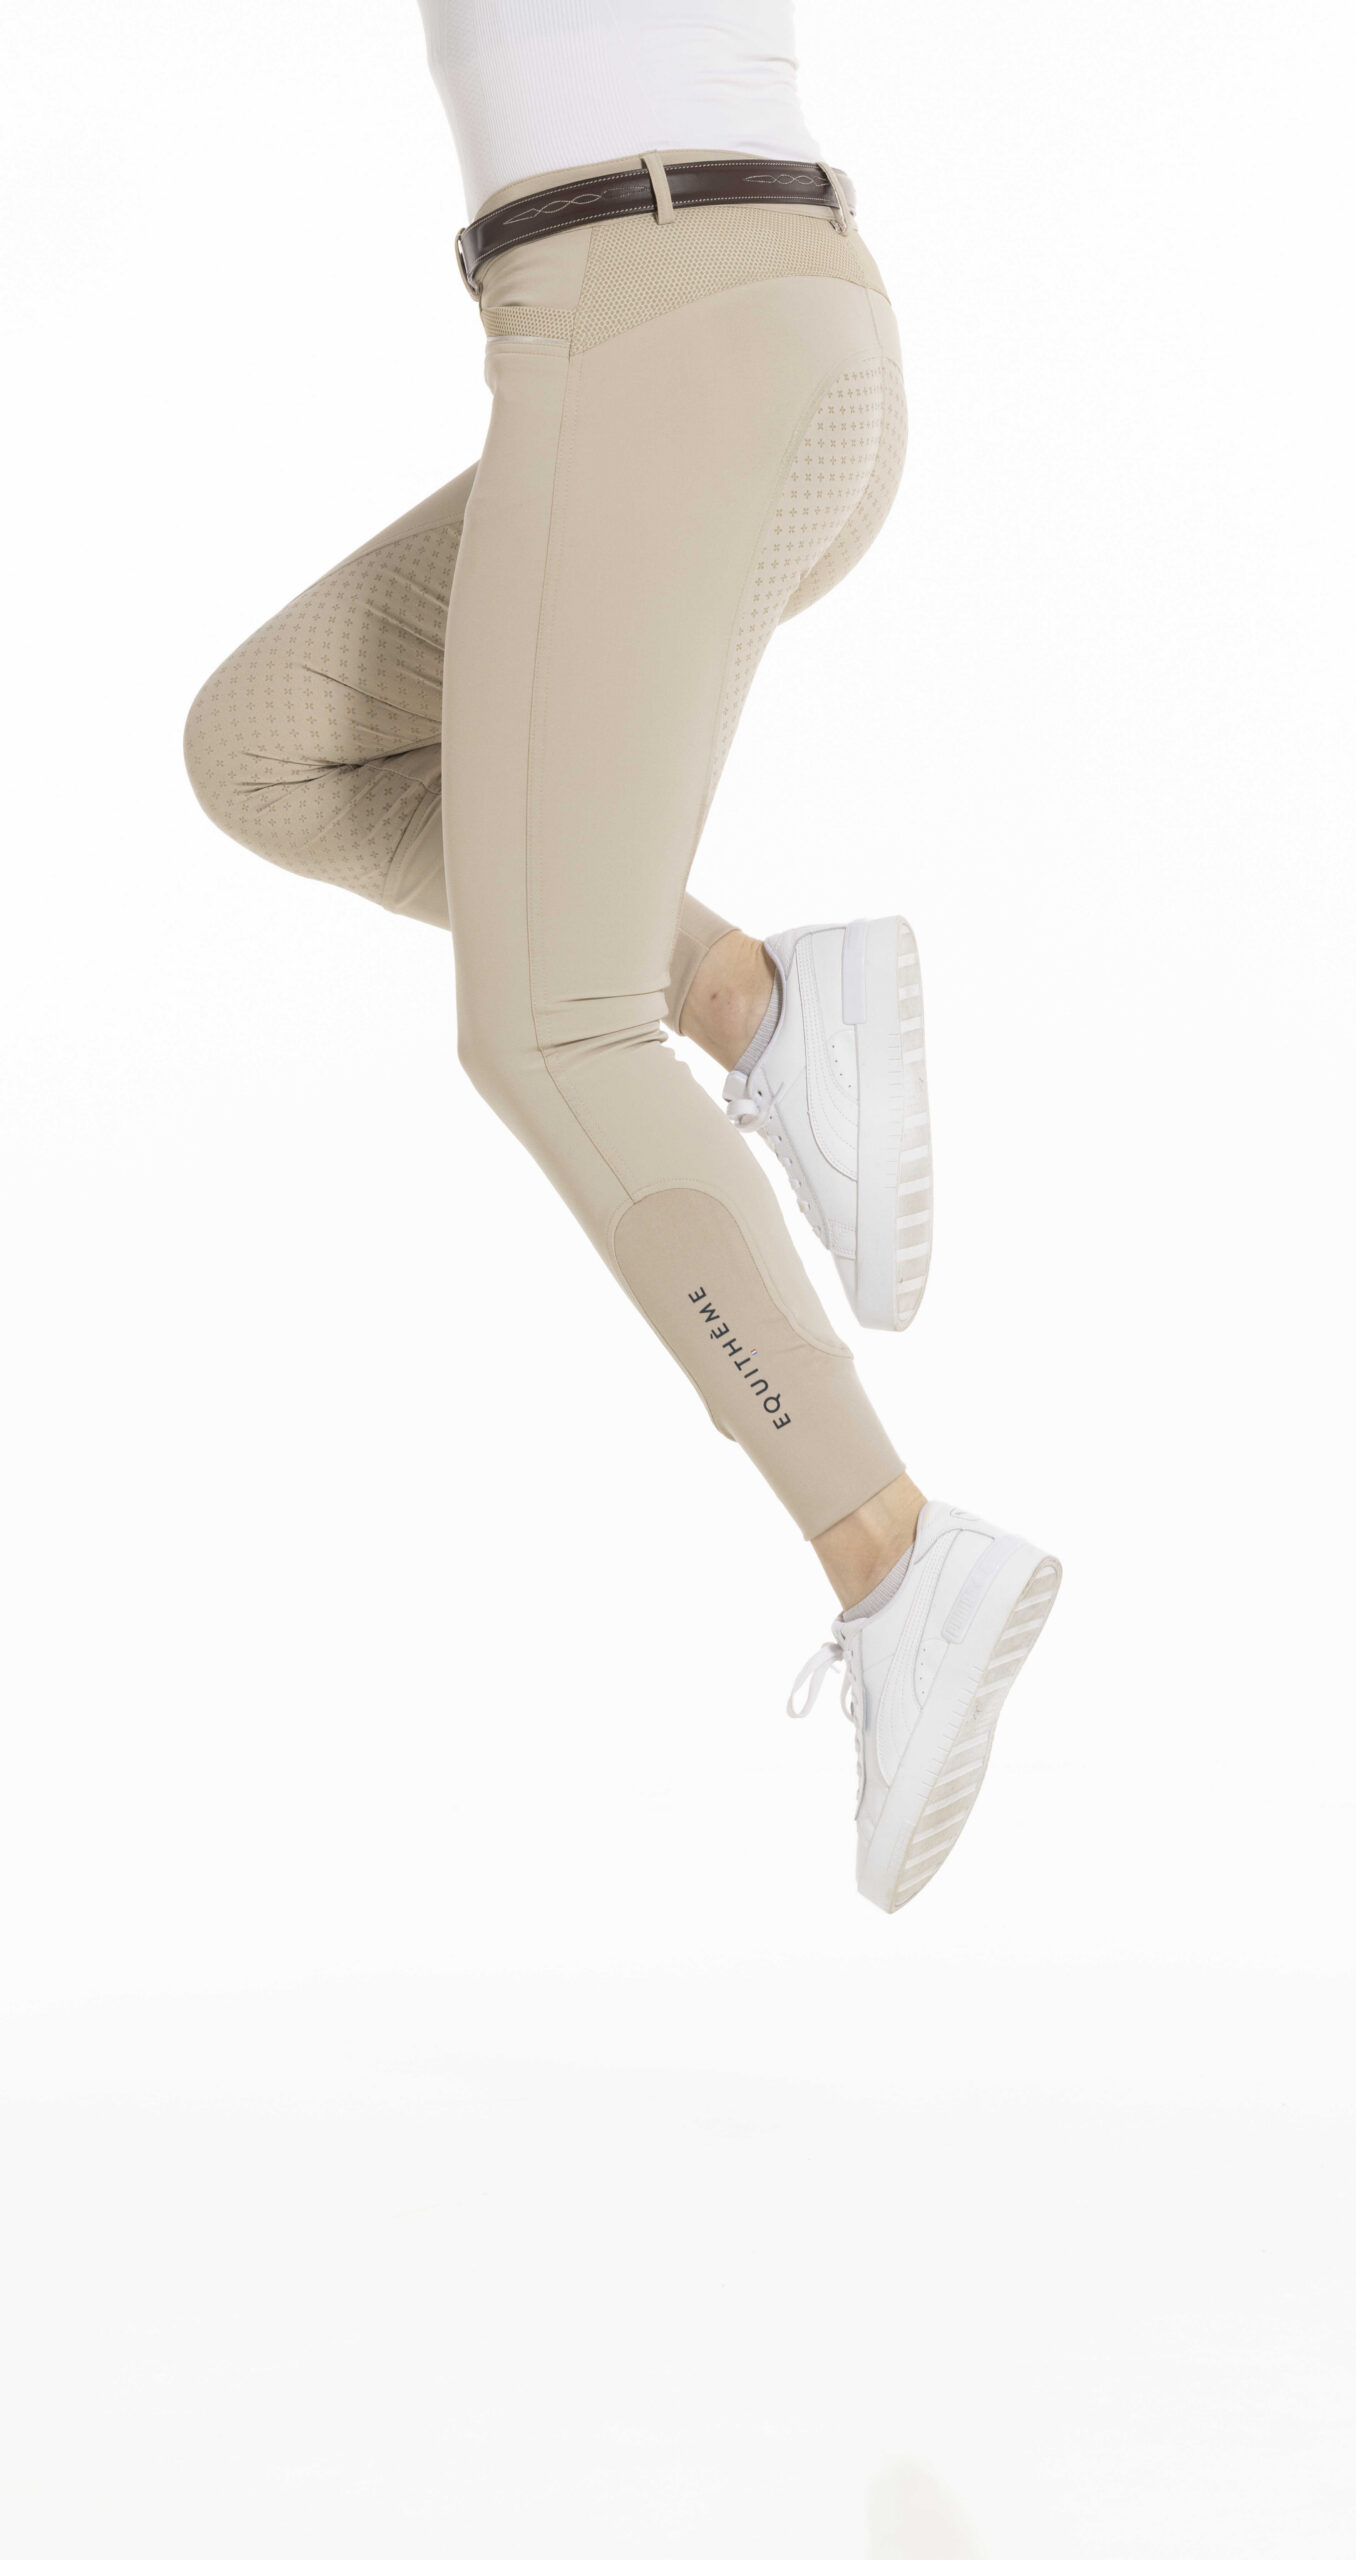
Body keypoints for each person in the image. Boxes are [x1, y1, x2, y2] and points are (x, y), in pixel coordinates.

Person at [182, 0, 1060, 1913]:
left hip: (660, 319)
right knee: (269, 747)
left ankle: (893, 1551)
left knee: (549, 1031)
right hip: (720, 307)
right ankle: (754, 997)